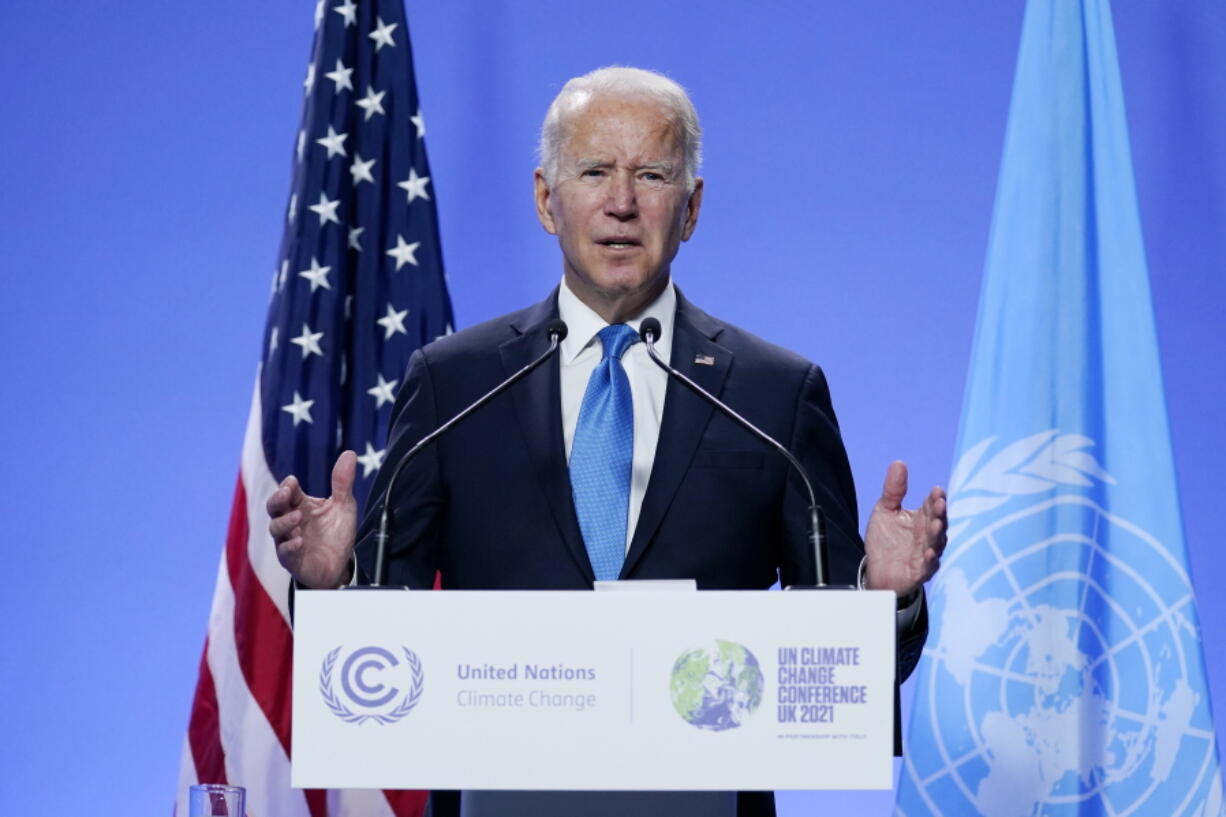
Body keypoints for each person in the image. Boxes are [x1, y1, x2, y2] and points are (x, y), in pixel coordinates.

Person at [269, 66, 947, 817]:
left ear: (689, 209)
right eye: (594, 171)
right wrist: (332, 591)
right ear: (544, 199)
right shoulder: (453, 385)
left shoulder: (776, 394)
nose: (622, 203)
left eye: (651, 174)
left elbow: (841, 667)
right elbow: (380, 651)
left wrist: (886, 602)